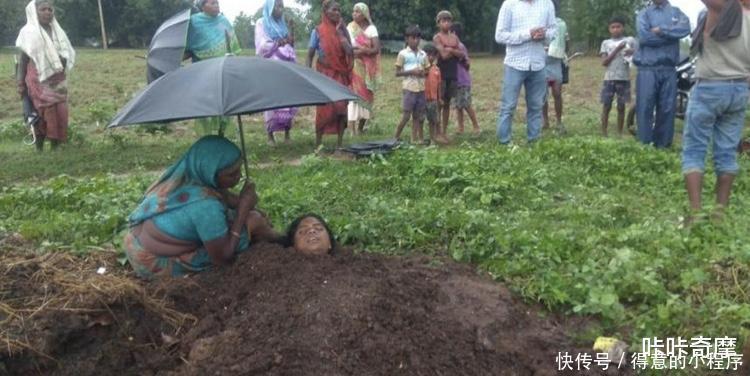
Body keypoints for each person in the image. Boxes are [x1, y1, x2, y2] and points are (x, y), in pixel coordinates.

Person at [124, 136, 281, 279]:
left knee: (244, 217)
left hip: (135, 241)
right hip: (152, 262)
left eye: (239, 169)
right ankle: (283, 242)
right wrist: (243, 212)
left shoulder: (181, 178)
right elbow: (223, 258)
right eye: (231, 174)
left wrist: (243, 201)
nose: (239, 177)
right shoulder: (205, 206)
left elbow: (225, 197)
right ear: (211, 173)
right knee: (254, 220)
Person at [681, 0, 750, 220]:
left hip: (710, 86)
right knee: (727, 153)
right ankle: (720, 213)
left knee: (694, 150)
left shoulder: (722, 7)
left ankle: (696, 212)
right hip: (739, 89)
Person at [494, 0, 557, 145]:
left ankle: (534, 142)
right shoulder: (509, 4)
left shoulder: (547, 3)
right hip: (514, 63)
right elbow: (500, 35)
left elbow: (553, 30)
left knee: (536, 106)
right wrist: (528, 34)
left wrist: (544, 34)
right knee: (508, 106)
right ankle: (504, 143)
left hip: (538, 63)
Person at [15, 0, 75, 152]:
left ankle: (56, 146)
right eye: (43, 9)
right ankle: (39, 147)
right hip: (38, 81)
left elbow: (66, 52)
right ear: (35, 12)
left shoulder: (58, 32)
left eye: (50, 9)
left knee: (60, 112)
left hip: (57, 80)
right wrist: (20, 83)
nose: (48, 12)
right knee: (39, 114)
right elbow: (23, 60)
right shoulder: (28, 32)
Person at [633, 0, 690, 148]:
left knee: (667, 108)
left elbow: (685, 29)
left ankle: (663, 147)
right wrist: (671, 35)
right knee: (645, 107)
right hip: (647, 68)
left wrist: (661, 30)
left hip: (669, 68)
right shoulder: (643, 14)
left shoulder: (677, 13)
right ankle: (644, 146)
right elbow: (644, 37)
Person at [187, 0, 241, 136]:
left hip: (223, 70)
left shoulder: (224, 21)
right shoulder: (194, 22)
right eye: (212, 3)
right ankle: (207, 137)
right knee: (206, 104)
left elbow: (233, 46)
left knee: (224, 102)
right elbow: (188, 45)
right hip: (202, 71)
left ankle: (223, 135)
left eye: (217, 2)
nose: (216, 5)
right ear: (202, 5)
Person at [307, 0, 354, 150]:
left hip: (339, 74)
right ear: (326, 12)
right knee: (323, 108)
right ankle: (318, 143)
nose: (337, 13)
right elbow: (310, 54)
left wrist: (341, 33)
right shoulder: (317, 31)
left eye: (339, 11)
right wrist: (308, 73)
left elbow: (349, 52)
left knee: (341, 108)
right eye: (334, 10)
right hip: (324, 74)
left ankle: (339, 144)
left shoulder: (342, 31)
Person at [255, 0, 298, 146]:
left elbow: (290, 43)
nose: (280, 10)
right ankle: (270, 136)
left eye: (282, 7)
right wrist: (277, 43)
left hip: (286, 66)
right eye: (277, 6)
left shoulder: (282, 24)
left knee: (287, 99)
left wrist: (291, 32)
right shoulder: (262, 23)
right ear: (270, 7)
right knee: (272, 100)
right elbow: (261, 46)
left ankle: (287, 133)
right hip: (271, 66)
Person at [347, 3, 381, 135]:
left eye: (358, 12)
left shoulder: (372, 29)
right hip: (354, 66)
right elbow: (347, 47)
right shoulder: (350, 28)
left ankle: (361, 128)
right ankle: (352, 130)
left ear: (365, 14)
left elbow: (376, 49)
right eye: (353, 11)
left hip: (367, 68)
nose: (354, 14)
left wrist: (364, 50)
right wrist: (357, 52)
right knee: (353, 97)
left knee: (366, 97)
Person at [599, 16, 637, 137]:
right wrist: (617, 49)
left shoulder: (629, 41)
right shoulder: (606, 43)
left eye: (618, 26)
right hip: (609, 78)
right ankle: (604, 133)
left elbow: (637, 53)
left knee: (621, 107)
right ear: (609, 29)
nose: (616, 29)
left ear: (623, 28)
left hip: (624, 78)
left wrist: (632, 52)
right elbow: (604, 62)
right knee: (606, 105)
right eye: (613, 27)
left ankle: (619, 133)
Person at [394, 25, 429, 143]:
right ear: (407, 39)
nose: (416, 41)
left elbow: (427, 70)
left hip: (421, 88)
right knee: (406, 115)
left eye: (418, 38)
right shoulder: (403, 54)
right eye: (413, 38)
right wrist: (411, 72)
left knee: (418, 115)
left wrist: (422, 73)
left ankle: (414, 138)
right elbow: (397, 73)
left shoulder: (423, 54)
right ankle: (396, 136)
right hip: (409, 88)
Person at [433, 11, 465, 138]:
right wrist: (453, 50)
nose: (446, 23)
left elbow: (462, 55)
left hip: (453, 74)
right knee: (439, 103)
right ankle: (437, 130)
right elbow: (443, 56)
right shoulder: (437, 37)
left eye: (448, 20)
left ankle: (444, 131)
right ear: (438, 23)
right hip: (441, 74)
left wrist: (450, 49)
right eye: (443, 20)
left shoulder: (455, 38)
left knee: (447, 103)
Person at [542, 2, 568, 133]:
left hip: (555, 63)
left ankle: (559, 121)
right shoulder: (539, 22)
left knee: (557, 93)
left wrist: (561, 51)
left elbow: (566, 41)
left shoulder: (561, 25)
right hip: (541, 63)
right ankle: (544, 121)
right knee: (542, 95)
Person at [451, 23, 481, 135]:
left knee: (466, 104)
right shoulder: (453, 46)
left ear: (454, 33)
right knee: (458, 105)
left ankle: (476, 126)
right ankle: (460, 128)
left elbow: (466, 63)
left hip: (462, 80)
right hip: (455, 81)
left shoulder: (459, 46)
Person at [424, 45, 448, 144]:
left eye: (433, 55)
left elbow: (438, 85)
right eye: (428, 55)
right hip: (423, 98)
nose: (430, 57)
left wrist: (440, 98)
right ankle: (418, 137)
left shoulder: (437, 69)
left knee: (433, 120)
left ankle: (432, 138)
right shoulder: (422, 69)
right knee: (419, 119)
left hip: (433, 99)